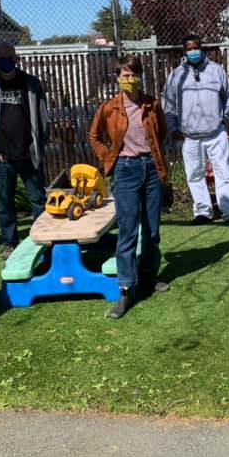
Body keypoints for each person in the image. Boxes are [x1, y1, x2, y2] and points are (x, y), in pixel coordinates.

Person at [89, 55, 170, 319]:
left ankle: (148, 277)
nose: (130, 79)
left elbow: (162, 134)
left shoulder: (152, 105)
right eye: (125, 75)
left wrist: (153, 158)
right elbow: (94, 136)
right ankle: (126, 289)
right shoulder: (110, 108)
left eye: (134, 75)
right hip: (125, 171)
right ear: (117, 78)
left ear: (140, 77)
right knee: (127, 230)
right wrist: (107, 156)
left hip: (151, 169)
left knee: (152, 230)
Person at [0, 40, 49, 259]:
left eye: (10, 58)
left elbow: (43, 116)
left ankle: (42, 240)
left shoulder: (32, 84)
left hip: (29, 154)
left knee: (38, 200)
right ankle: (10, 243)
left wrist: (40, 144)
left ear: (16, 59)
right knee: (5, 203)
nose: (6, 62)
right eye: (1, 59)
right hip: (2, 157)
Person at [162, 36, 229, 226]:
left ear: (202, 49)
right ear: (184, 51)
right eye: (189, 48)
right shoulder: (176, 75)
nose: (193, 51)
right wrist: (173, 128)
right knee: (194, 174)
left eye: (196, 47)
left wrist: (224, 119)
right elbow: (168, 103)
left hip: (216, 133)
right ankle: (203, 212)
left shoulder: (216, 70)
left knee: (224, 172)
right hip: (189, 136)